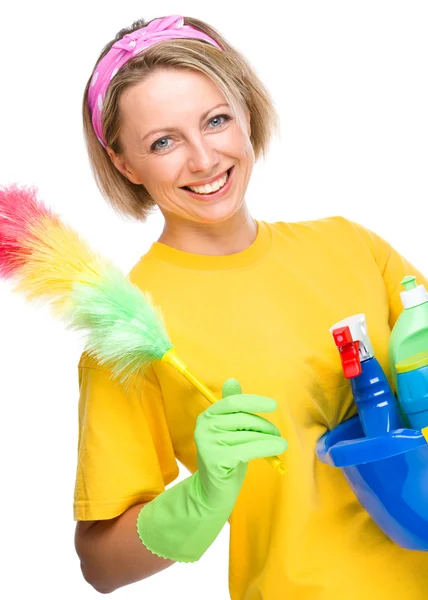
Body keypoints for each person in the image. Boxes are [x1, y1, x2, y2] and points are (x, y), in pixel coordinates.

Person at [73, 14, 428, 599]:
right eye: (163, 141)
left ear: (244, 113)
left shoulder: (351, 245)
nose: (203, 158)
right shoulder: (129, 324)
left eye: (215, 121)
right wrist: (203, 494)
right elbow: (100, 565)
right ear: (123, 162)